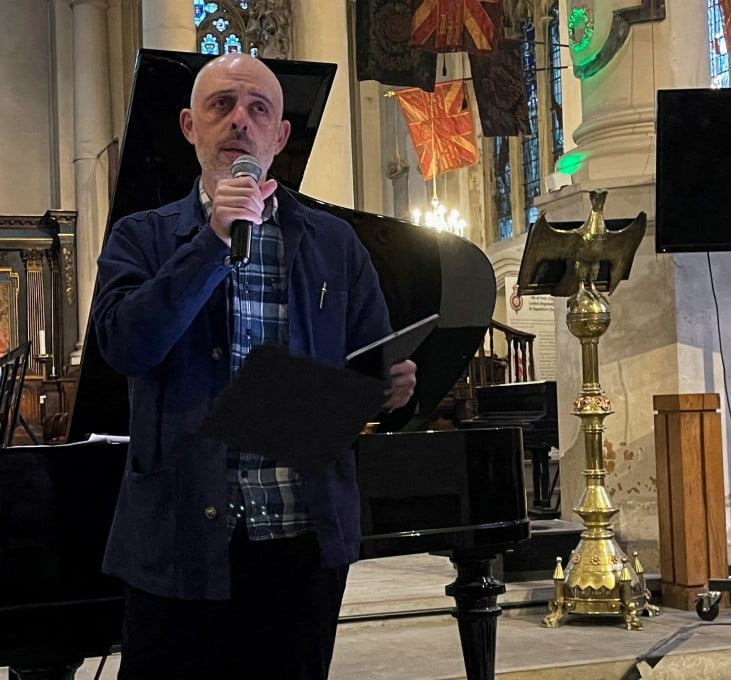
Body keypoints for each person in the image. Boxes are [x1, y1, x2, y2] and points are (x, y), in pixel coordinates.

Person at [91, 52, 417, 680]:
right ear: (190, 126)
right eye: (222, 105)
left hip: (303, 540)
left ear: (280, 135)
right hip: (180, 540)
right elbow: (128, 347)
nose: (241, 119)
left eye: (259, 109)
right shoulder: (142, 237)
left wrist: (391, 388)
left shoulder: (333, 243)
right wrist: (212, 241)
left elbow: (372, 359)